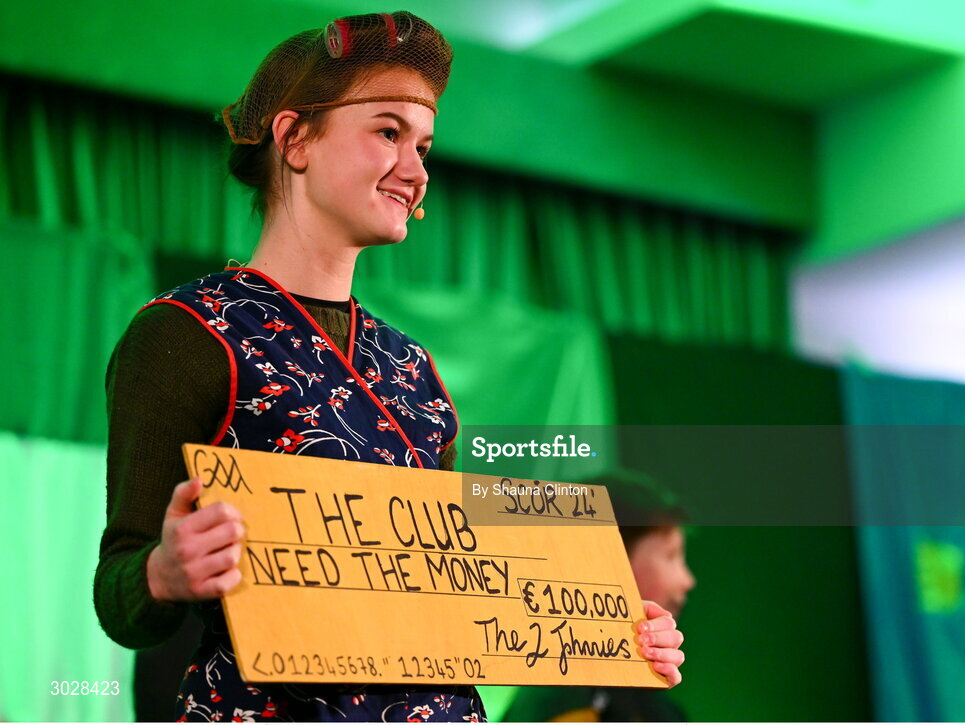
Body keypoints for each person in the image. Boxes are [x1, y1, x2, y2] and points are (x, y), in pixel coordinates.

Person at [94, 12, 684, 722]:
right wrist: (163, 570)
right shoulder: (184, 335)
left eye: (424, 145)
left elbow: (446, 579)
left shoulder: (413, 367)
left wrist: (614, 627)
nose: (416, 170)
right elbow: (120, 592)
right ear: (296, 137)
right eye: (387, 133)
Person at [503, 470, 695, 722]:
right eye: (670, 555)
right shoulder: (563, 699)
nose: (687, 580)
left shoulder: (649, 696)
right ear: (610, 560)